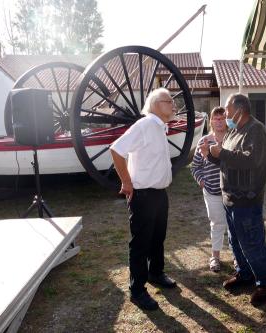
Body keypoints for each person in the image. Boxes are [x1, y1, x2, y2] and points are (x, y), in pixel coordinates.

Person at [199, 93, 266, 306]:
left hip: (247, 200)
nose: (226, 114)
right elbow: (228, 163)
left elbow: (250, 161)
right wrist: (210, 155)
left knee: (252, 243)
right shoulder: (234, 132)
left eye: (228, 110)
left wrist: (220, 152)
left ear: (240, 110)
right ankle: (245, 274)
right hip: (230, 198)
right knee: (235, 240)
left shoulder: (256, 130)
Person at [110, 87, 177, 311]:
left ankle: (155, 273)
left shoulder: (159, 127)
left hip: (159, 194)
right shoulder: (145, 125)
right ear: (157, 105)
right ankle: (137, 290)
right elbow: (117, 150)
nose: (174, 105)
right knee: (140, 244)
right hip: (144, 195)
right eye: (170, 101)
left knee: (158, 238)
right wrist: (126, 182)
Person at [191, 107, 228, 272]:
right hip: (212, 191)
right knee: (217, 223)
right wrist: (202, 182)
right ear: (211, 121)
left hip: (232, 191)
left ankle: (237, 258)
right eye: (216, 118)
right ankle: (215, 257)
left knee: (234, 225)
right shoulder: (204, 141)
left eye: (222, 118)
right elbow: (195, 166)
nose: (219, 121)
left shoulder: (233, 139)